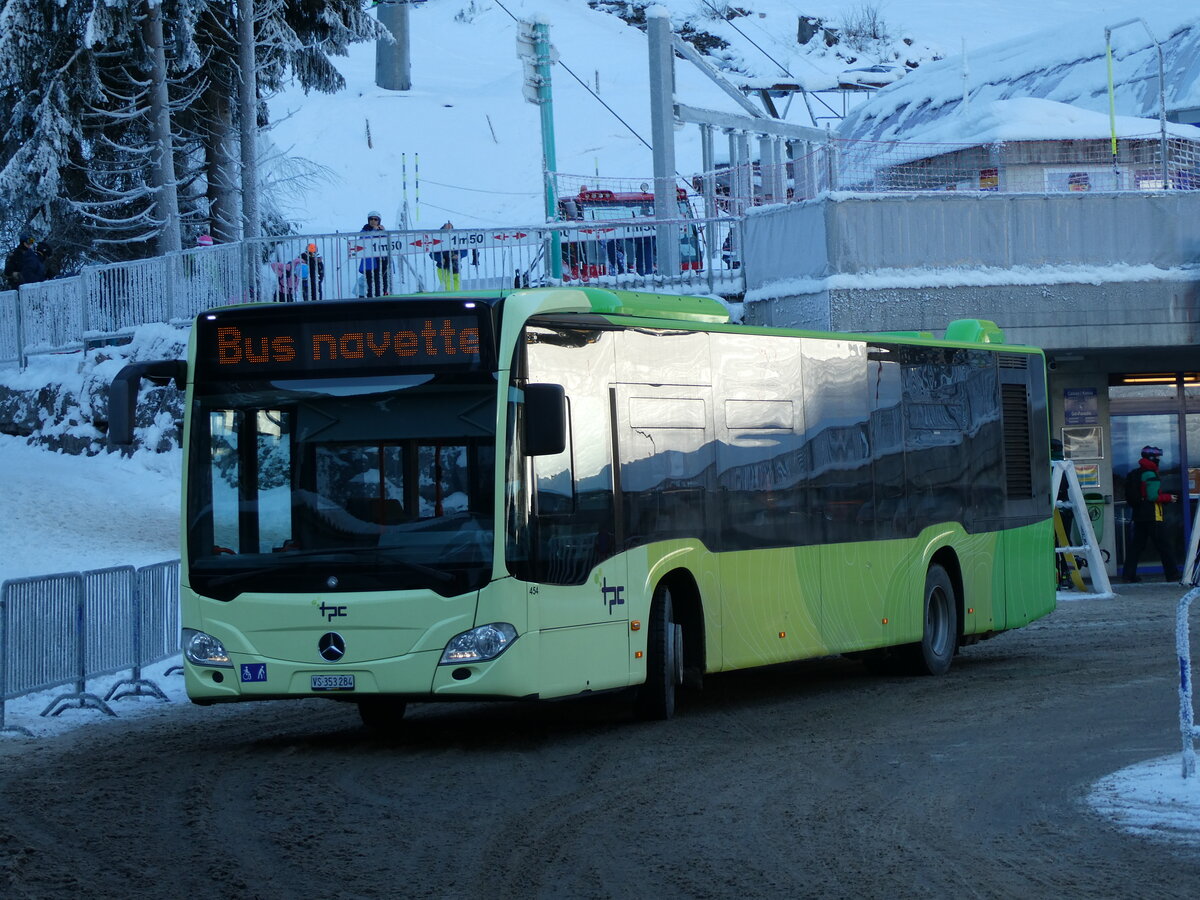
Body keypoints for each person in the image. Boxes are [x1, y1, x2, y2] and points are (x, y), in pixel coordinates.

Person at [1122, 445, 1180, 583]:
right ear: (1152, 458)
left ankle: (1128, 575)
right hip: (1153, 515)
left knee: (1136, 546)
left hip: (1139, 515)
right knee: (1164, 545)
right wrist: (1169, 498)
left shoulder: (1137, 472)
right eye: (1157, 458)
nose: (1159, 460)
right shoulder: (1150, 473)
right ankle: (1172, 575)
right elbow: (1153, 496)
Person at [359, 211, 390, 297]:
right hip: (370, 263)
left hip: (382, 262)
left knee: (383, 284)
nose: (373, 221)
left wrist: (383, 232)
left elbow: (387, 243)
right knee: (371, 284)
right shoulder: (364, 230)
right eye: (371, 219)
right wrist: (373, 231)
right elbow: (363, 240)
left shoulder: (381, 231)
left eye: (375, 219)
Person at [431, 221, 467, 291]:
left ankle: (457, 300)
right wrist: (440, 259)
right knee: (448, 288)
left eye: (450, 227)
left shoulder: (457, 238)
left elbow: (465, 251)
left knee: (457, 288)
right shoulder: (438, 239)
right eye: (447, 227)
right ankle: (451, 300)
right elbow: (432, 254)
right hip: (443, 268)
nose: (449, 229)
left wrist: (459, 255)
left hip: (455, 266)